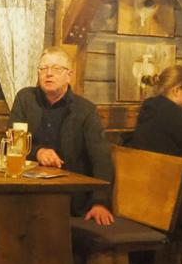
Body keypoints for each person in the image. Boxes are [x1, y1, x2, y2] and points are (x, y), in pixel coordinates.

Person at [10, 47, 115, 226]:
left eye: (56, 69)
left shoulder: (85, 110)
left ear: (69, 75)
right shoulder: (25, 98)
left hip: (69, 198)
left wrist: (100, 203)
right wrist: (38, 152)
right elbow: (13, 142)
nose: (48, 73)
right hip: (26, 191)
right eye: (43, 68)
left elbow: (101, 159)